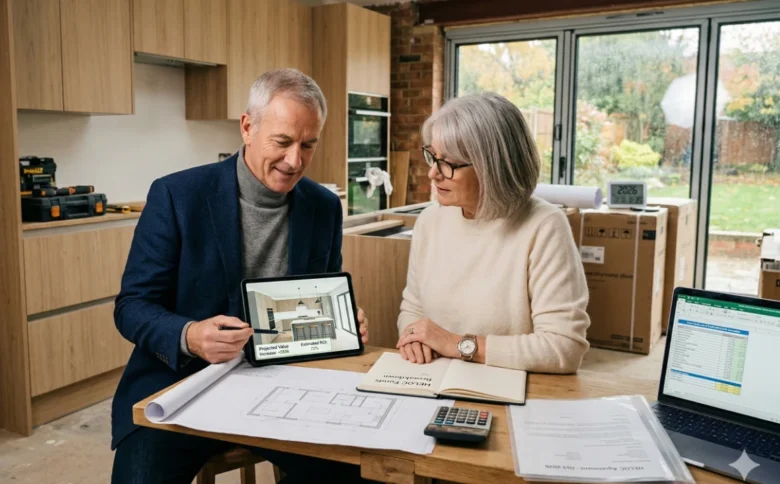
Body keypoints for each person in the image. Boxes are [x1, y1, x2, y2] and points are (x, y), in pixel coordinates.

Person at [110, 68, 370, 484]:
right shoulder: (177, 195)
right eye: (282, 142)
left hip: (283, 384)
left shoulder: (324, 206)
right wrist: (190, 334)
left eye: (308, 144)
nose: (295, 161)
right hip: (181, 383)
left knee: (360, 472)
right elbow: (131, 307)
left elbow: (317, 295)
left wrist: (339, 321)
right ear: (247, 128)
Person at [394, 92, 590, 374]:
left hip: (511, 388)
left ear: (493, 168)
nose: (433, 174)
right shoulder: (429, 221)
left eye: (447, 163)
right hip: (434, 377)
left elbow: (563, 348)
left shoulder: (545, 226)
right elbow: (413, 307)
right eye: (432, 157)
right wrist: (414, 337)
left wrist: (456, 345)